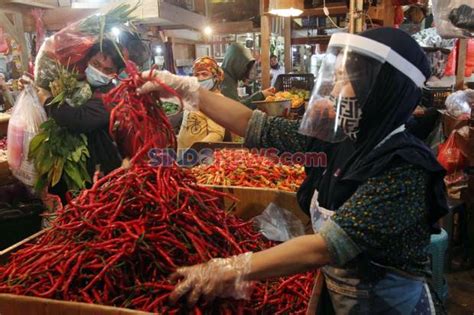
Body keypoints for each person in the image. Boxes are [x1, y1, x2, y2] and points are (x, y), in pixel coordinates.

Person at [138, 28, 448, 313]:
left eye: (346, 79)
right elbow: (252, 125)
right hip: (343, 298)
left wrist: (233, 267)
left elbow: (326, 247)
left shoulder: (406, 169)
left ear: (380, 89)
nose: (335, 90)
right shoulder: (342, 139)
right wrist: (187, 90)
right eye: (336, 77)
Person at [37, 39, 124, 200]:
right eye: (96, 64)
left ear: (114, 73)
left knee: (94, 208)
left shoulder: (111, 96)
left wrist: (47, 101)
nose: (99, 71)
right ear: (87, 61)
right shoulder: (80, 85)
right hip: (76, 166)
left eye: (107, 69)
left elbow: (79, 120)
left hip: (100, 167)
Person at [177, 57, 225, 149]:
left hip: (199, 158)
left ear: (215, 77)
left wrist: (195, 150)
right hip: (184, 156)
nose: (200, 78)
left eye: (204, 74)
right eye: (196, 75)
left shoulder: (216, 101)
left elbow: (216, 134)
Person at [220, 43, 274, 109]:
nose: (246, 73)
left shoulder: (229, 78)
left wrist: (261, 94)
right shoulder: (224, 81)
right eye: (245, 68)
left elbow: (238, 103)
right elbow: (237, 109)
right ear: (236, 63)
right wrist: (261, 95)